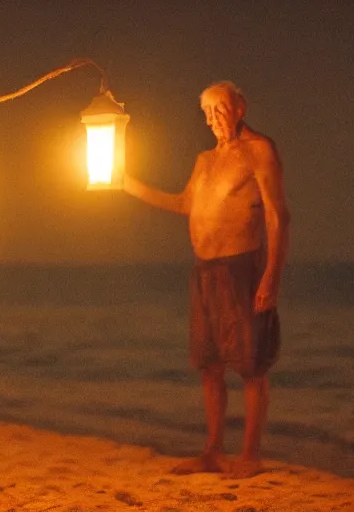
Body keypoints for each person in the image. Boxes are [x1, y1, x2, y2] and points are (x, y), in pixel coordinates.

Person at [123, 81, 290, 478]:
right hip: (205, 271)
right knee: (209, 365)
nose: (213, 117)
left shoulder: (259, 150)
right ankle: (213, 451)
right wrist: (127, 184)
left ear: (240, 107)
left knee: (251, 365)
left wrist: (271, 276)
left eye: (220, 107)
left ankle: (250, 455)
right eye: (207, 111)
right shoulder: (204, 160)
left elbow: (277, 216)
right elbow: (184, 204)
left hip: (241, 267)